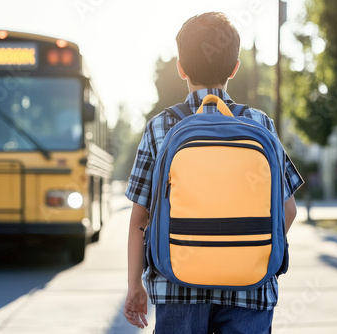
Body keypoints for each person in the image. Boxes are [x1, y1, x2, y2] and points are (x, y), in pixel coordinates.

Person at [124, 12, 304, 333]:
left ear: (180, 67)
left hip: (177, 287)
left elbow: (140, 218)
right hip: (250, 288)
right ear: (235, 68)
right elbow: (287, 211)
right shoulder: (260, 125)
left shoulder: (160, 127)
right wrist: (246, 255)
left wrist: (135, 285)